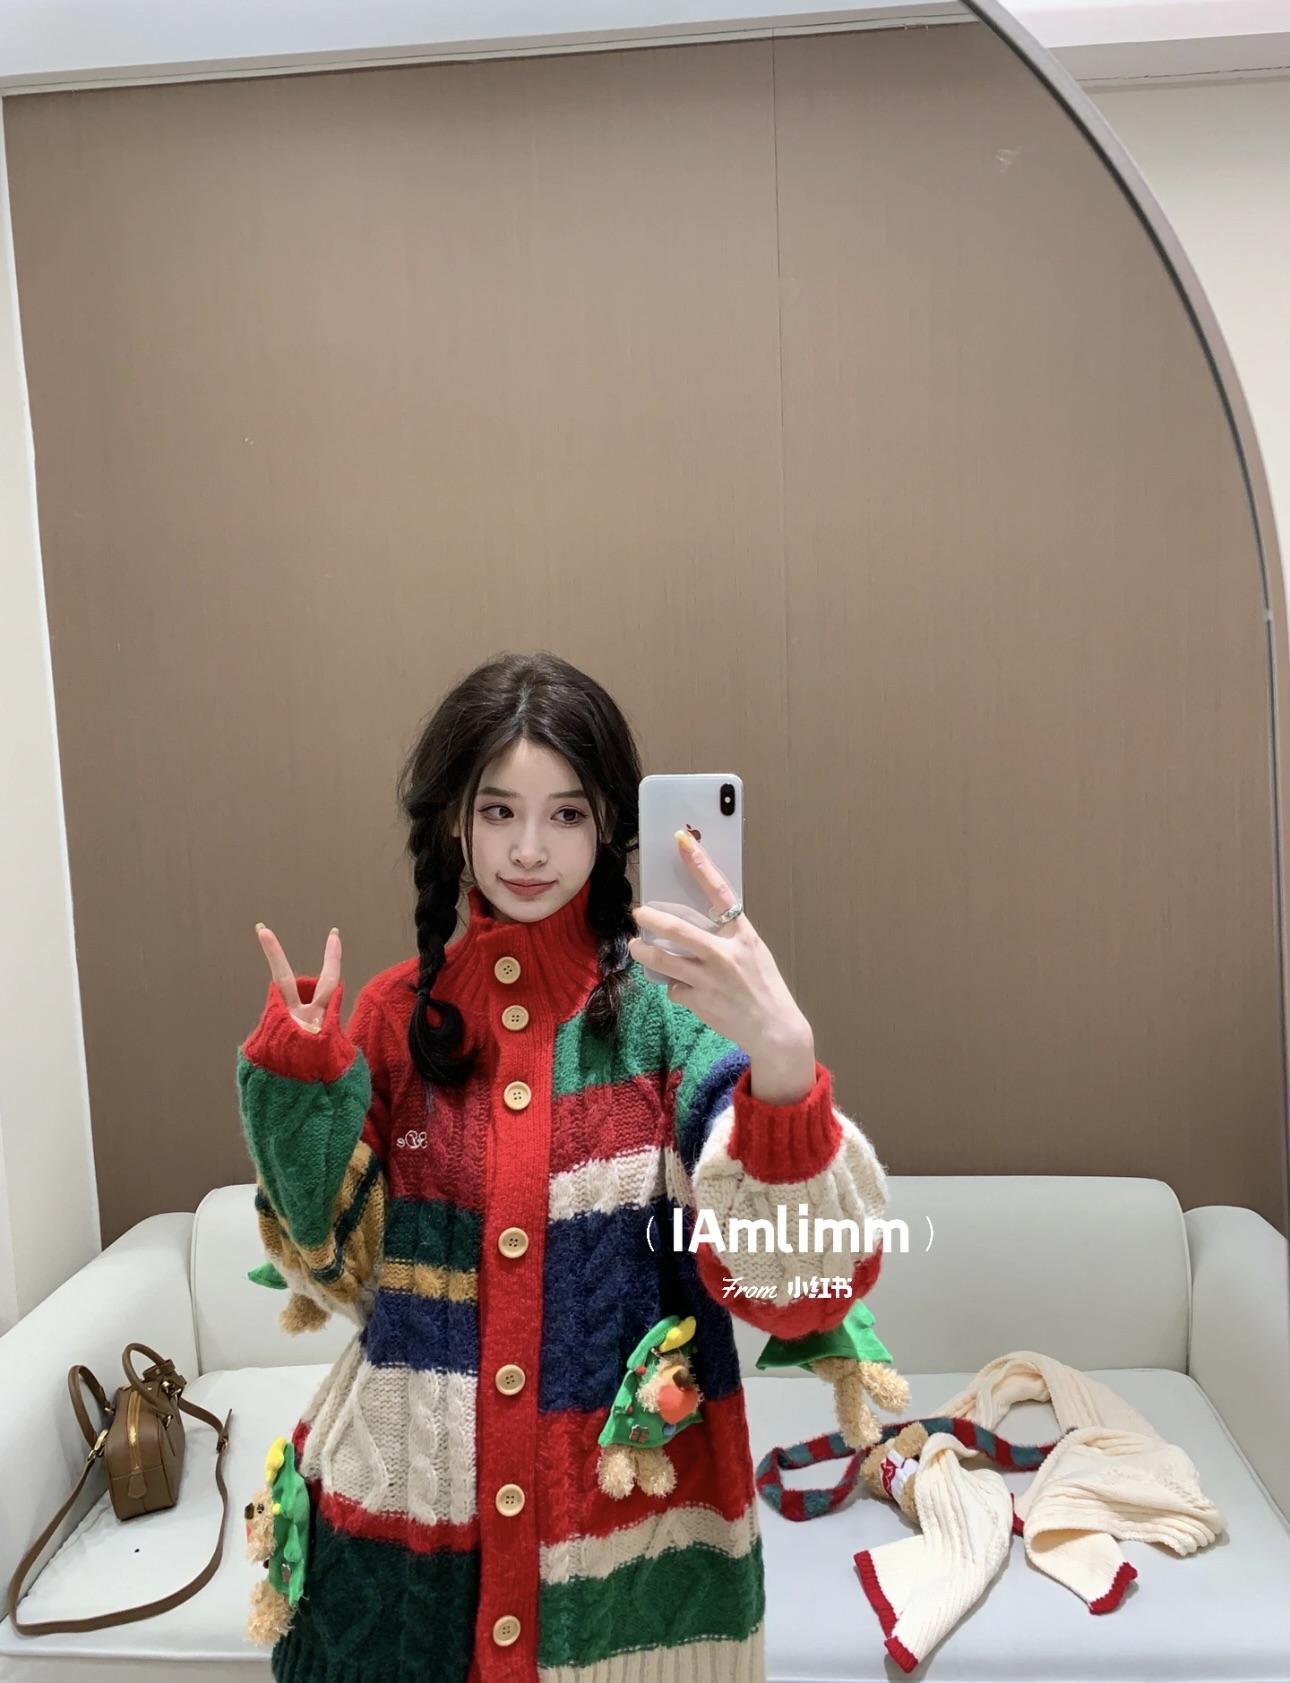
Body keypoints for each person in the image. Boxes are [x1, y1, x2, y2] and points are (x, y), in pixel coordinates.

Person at [236, 650, 894, 1683]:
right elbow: (339, 1274)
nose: (530, 849)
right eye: (498, 811)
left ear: (610, 827)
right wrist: (300, 1093)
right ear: (454, 822)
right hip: (403, 1555)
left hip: (624, 1570)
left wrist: (782, 1063)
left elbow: (797, 1286)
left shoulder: (669, 1020)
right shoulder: (398, 1016)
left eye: (568, 814)